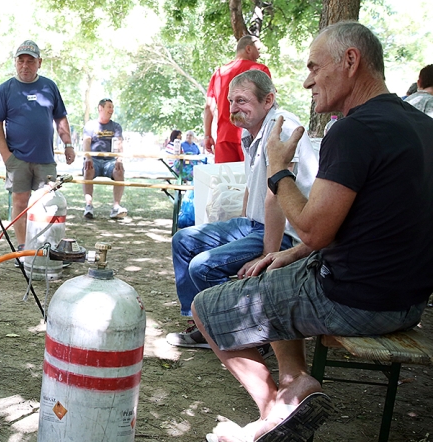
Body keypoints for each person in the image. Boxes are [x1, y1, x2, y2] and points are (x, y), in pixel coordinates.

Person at [193, 22, 433, 442]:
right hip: (409, 300)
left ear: (351, 61)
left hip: (356, 300)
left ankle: (274, 409)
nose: (307, 81)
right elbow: (368, 223)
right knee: (273, 269)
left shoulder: (355, 130)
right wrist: (294, 251)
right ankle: (295, 380)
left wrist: (278, 169)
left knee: (204, 308)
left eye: (314, 68)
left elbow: (313, 227)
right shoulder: (422, 126)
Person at [168, 69, 318, 351]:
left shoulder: (282, 129)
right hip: (256, 223)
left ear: (268, 100)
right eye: (231, 101)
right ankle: (200, 323)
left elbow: (278, 196)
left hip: (285, 233)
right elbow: (252, 187)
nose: (234, 109)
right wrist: (233, 227)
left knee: (204, 266)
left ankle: (242, 335)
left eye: (242, 101)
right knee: (184, 240)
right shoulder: (251, 132)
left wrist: (266, 254)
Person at [0, 40, 75, 249]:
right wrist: (6, 156)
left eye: (30, 61)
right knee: (20, 203)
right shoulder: (5, 89)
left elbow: (60, 118)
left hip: (45, 159)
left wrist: (68, 144)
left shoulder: (49, 86)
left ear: (39, 63)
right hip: (17, 158)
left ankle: (45, 246)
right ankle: (23, 247)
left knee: (48, 204)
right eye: (21, 61)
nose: (25, 66)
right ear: (15, 63)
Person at [203, 35, 271, 163]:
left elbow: (209, 107)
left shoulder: (219, 73)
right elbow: (267, 103)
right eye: (259, 50)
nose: (259, 55)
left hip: (224, 137)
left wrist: (207, 135)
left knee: (225, 181)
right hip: (252, 136)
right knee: (253, 180)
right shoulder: (260, 70)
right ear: (249, 49)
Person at [81, 98, 127, 219]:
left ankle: (116, 207)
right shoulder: (90, 125)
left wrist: (119, 159)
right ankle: (88, 206)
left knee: (119, 170)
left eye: (112, 107)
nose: (112, 110)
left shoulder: (116, 126)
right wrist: (88, 157)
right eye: (109, 107)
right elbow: (86, 143)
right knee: (88, 169)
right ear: (100, 108)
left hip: (109, 161)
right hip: (94, 159)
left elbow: (119, 144)